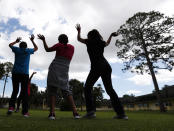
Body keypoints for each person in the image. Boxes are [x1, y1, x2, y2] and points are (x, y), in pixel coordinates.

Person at [75, 24, 128, 120]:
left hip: (96, 66)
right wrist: (111, 35)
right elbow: (107, 43)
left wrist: (79, 31)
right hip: (106, 66)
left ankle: (90, 112)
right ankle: (121, 114)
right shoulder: (101, 42)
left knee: (87, 87)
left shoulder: (89, 41)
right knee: (110, 90)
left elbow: (79, 39)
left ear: (90, 36)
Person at [38, 34, 80, 120]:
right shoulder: (72, 47)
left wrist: (43, 40)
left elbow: (47, 49)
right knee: (66, 91)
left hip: (54, 68)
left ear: (59, 40)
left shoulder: (59, 45)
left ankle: (52, 113)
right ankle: (75, 113)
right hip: (64, 70)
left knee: (52, 91)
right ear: (67, 40)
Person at [7, 35, 38, 117]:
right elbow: (36, 48)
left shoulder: (17, 49)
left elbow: (10, 45)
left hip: (15, 73)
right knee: (24, 93)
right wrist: (32, 40)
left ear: (20, 46)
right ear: (26, 46)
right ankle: (25, 112)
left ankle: (11, 107)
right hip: (24, 74)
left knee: (15, 91)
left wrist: (16, 41)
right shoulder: (28, 51)